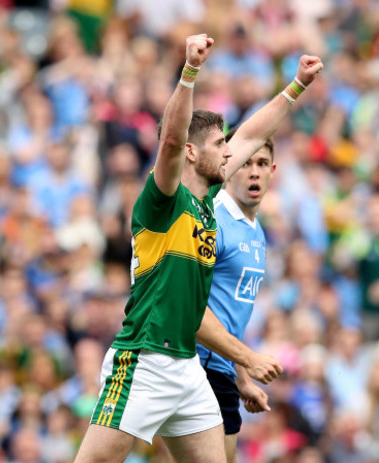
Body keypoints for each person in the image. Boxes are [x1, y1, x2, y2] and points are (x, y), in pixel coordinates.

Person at [74, 34, 322, 463]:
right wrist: (189, 72)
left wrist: (296, 86)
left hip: (186, 367)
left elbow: (254, 132)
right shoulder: (163, 200)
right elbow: (170, 140)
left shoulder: (209, 202)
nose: (232, 152)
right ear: (192, 152)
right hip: (144, 358)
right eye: (220, 145)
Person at [195, 129, 277, 463]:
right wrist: (247, 360)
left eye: (263, 163)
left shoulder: (256, 231)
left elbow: (228, 315)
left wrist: (241, 378)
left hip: (223, 371)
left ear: (273, 171)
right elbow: (192, 302)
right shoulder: (214, 219)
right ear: (229, 165)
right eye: (246, 162)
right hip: (196, 365)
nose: (254, 171)